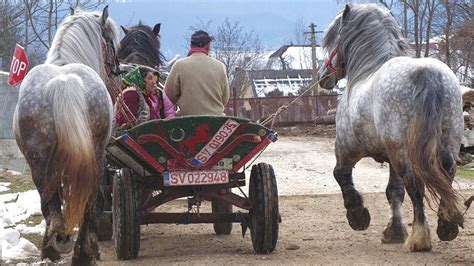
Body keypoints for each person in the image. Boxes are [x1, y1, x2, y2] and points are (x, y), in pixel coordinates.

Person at [164, 30, 230, 116]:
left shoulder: (179, 65)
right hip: (216, 120)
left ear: (191, 45)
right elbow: (225, 98)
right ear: (208, 46)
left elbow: (168, 96)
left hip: (187, 120)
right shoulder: (220, 66)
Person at [114, 66, 175, 134]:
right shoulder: (131, 94)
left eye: (154, 79)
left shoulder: (144, 95)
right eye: (150, 78)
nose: (154, 82)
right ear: (140, 80)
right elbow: (126, 123)